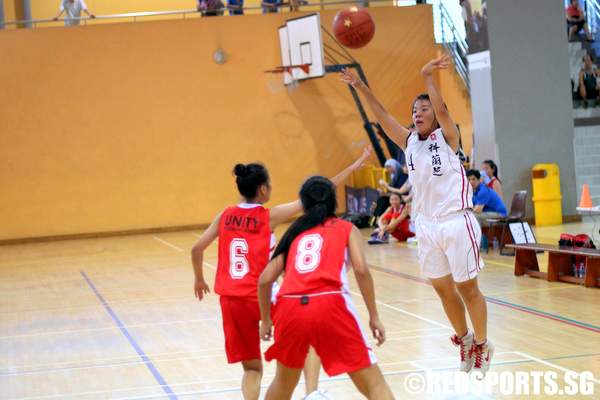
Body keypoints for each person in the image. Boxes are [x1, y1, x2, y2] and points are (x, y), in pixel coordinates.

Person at [340, 54, 494, 377]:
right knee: (442, 288)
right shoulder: (410, 142)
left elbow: (442, 110)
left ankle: (482, 345)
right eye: (414, 111)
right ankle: (465, 339)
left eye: (424, 110)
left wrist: (427, 77)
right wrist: (361, 88)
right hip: (426, 225)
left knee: (467, 288)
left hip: (456, 220)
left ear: (435, 118)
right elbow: (382, 116)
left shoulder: (448, 137)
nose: (418, 114)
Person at [190, 149, 371, 400]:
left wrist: (199, 278)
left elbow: (197, 249)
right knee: (307, 339)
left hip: (232, 300)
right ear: (263, 189)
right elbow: (316, 193)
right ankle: (311, 393)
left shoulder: (225, 215)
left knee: (252, 368)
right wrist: (352, 167)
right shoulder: (268, 216)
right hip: (265, 295)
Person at [258, 176, 394, 400]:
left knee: (282, 385)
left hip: (290, 306)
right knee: (374, 385)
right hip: (330, 302)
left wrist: (266, 319)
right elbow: (361, 270)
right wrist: (374, 316)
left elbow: (264, 280)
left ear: (304, 203)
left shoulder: (294, 233)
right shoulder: (346, 228)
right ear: (334, 201)